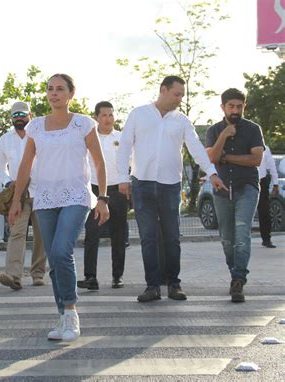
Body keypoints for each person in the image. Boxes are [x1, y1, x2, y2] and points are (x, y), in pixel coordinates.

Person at [9, 74, 109, 341]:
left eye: (60, 89)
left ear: (70, 94)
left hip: (76, 196)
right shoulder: (36, 127)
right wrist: (17, 200)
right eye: (50, 89)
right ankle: (62, 316)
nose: (54, 94)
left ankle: (71, 310)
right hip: (44, 198)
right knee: (54, 258)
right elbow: (25, 165)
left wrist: (103, 198)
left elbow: (99, 163)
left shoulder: (83, 124)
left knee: (61, 251)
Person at [117, 75, 226, 303]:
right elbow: (125, 145)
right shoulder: (139, 114)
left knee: (172, 237)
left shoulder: (182, 121)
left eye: (182, 95)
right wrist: (122, 178)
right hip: (142, 184)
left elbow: (196, 148)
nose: (179, 99)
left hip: (170, 186)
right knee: (148, 237)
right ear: (163, 90)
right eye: (176, 94)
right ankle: (152, 286)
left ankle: (174, 284)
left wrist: (212, 172)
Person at [206, 88, 264, 303]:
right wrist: (224, 135)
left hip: (246, 187)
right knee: (227, 240)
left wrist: (227, 157)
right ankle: (235, 273)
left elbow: (255, 160)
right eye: (231, 106)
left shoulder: (252, 129)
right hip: (222, 190)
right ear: (223, 107)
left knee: (242, 234)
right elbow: (212, 157)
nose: (235, 110)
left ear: (244, 107)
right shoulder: (214, 130)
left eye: (239, 106)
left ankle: (238, 279)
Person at [78, 101, 128, 290]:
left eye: (111, 115)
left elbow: (130, 162)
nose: (108, 119)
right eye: (104, 115)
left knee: (119, 235)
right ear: (96, 118)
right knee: (92, 233)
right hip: (94, 190)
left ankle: (117, 276)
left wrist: (127, 183)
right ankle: (90, 277)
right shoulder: (89, 138)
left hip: (118, 190)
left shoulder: (122, 138)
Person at [0, 101, 46, 290]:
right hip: (18, 193)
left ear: (30, 116)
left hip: (40, 190)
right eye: (15, 116)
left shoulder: (40, 136)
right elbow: (0, 167)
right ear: (11, 118)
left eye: (22, 115)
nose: (19, 119)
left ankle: (38, 273)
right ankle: (14, 275)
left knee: (42, 234)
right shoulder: (4, 140)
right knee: (17, 232)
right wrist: (9, 182)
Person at [257, 145, 279, 248]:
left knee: (264, 210)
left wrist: (275, 184)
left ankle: (266, 239)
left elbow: (272, 166)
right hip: (245, 181)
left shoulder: (265, 148)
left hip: (261, 181)